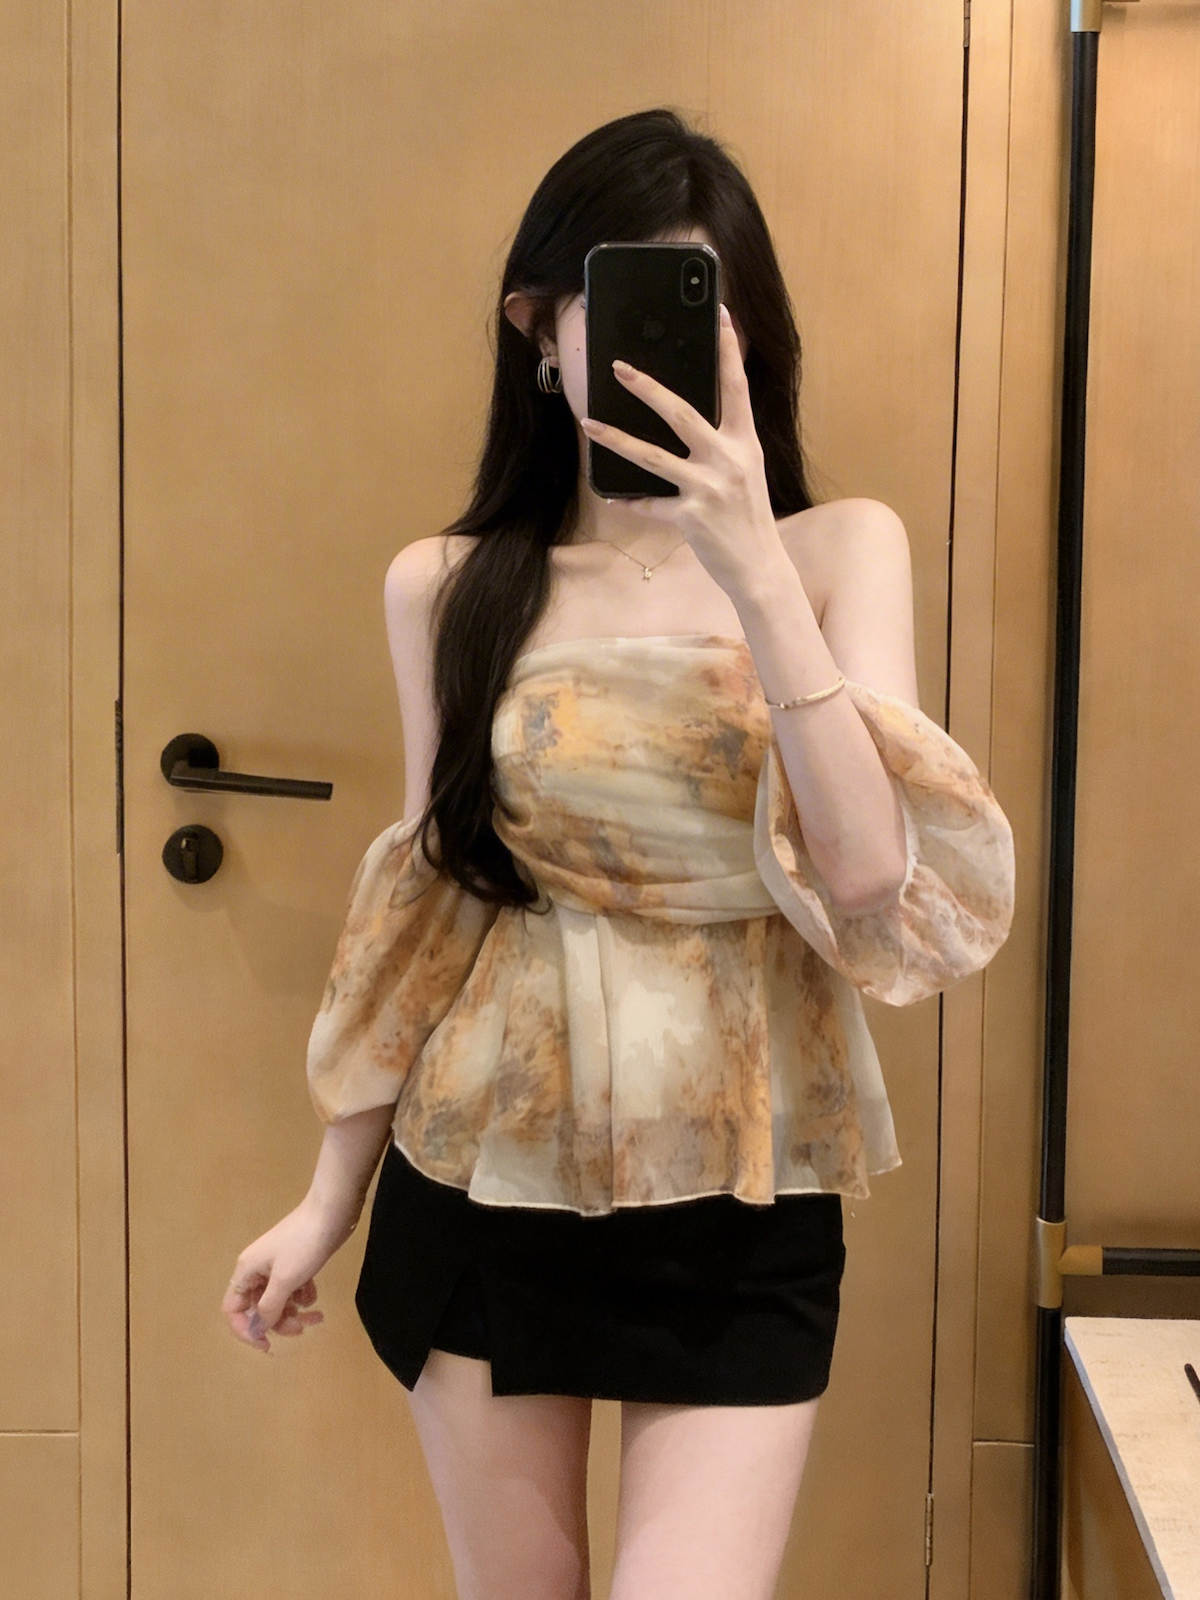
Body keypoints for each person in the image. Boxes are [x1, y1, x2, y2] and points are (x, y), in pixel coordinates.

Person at [221, 108, 1015, 1600]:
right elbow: (428, 907)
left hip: (745, 1185)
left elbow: (869, 879)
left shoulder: (842, 550)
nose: (663, 345)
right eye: (624, 299)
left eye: (702, 304)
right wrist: (326, 1198)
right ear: (542, 328)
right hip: (488, 1168)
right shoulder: (451, 586)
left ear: (748, 334)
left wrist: (755, 571)